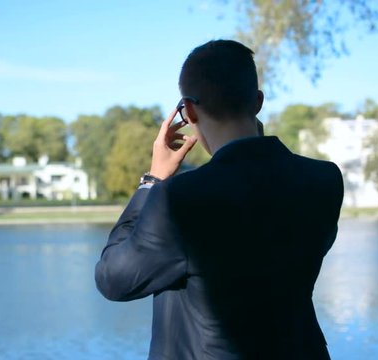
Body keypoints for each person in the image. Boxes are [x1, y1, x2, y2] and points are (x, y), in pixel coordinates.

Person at [94, 39, 344, 359]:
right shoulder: (323, 180)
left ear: (190, 110)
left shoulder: (178, 199)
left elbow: (113, 279)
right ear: (257, 101)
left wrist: (152, 182)